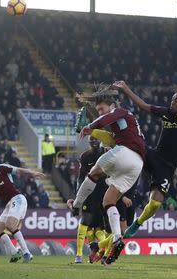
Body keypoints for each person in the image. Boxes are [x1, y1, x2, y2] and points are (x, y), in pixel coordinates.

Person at [117, 65, 177, 238]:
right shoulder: (166, 113)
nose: (172, 102)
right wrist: (126, 89)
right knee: (132, 148)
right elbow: (143, 105)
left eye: (176, 100)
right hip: (154, 155)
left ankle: (137, 223)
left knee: (155, 204)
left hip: (168, 165)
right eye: (172, 100)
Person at [67, 90, 146, 265]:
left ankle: (76, 205)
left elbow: (105, 120)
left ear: (111, 106)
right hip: (136, 164)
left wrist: (90, 126)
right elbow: (111, 138)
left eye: (102, 109)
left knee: (94, 173)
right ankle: (117, 238)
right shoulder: (125, 126)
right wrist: (92, 132)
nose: (101, 113)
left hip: (126, 153)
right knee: (108, 200)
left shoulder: (120, 111)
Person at [74, 136, 108, 264]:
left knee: (100, 228)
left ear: (100, 140)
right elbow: (80, 177)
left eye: (96, 139)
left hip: (103, 193)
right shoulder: (85, 156)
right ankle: (78, 255)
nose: (94, 141)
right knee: (85, 223)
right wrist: (78, 195)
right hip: (89, 194)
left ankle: (101, 253)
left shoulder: (107, 152)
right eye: (91, 140)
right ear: (88, 142)